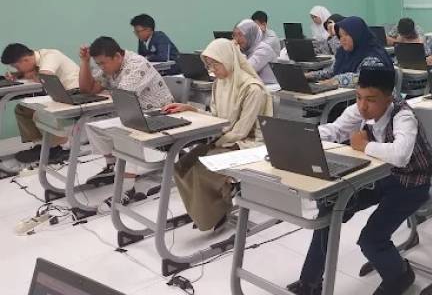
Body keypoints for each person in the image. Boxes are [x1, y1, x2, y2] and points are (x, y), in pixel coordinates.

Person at [272, 67, 432, 295]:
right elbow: (335, 131)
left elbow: (401, 155)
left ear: (389, 97)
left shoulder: (403, 116)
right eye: (359, 97)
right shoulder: (359, 110)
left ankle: (400, 275)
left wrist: (364, 146)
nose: (362, 105)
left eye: (371, 99)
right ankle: (310, 285)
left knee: (371, 239)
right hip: (379, 177)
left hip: (411, 184)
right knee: (330, 212)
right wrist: (299, 137)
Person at [165, 39, 271, 231]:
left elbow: (241, 131)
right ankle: (202, 210)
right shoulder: (220, 83)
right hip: (224, 138)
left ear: (228, 59)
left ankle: (216, 211)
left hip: (248, 143)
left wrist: (215, 142)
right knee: (181, 165)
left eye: (215, 64)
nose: (212, 69)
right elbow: (216, 117)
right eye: (209, 65)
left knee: (201, 170)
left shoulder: (252, 89)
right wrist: (192, 109)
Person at [80, 36, 174, 185]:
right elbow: (87, 89)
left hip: (160, 114)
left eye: (103, 63)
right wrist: (85, 62)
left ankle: (127, 186)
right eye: (98, 64)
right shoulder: (111, 67)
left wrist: (107, 92)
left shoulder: (137, 65)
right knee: (93, 124)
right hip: (136, 114)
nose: (101, 67)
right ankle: (111, 165)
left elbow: (122, 98)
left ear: (117, 56)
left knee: (124, 131)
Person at [1, 43, 80, 164]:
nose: (17, 69)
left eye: (16, 67)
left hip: (73, 94)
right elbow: (37, 76)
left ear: (25, 60)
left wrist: (27, 75)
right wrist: (18, 75)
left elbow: (45, 77)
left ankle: (62, 146)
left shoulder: (50, 55)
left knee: (39, 112)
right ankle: (42, 145)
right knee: (22, 109)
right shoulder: (36, 61)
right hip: (58, 94)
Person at [308, 16, 393, 88]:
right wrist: (310, 75)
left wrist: (334, 81)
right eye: (340, 36)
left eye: (347, 35)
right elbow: (331, 71)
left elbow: (362, 78)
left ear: (358, 34)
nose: (343, 39)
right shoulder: (343, 53)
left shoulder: (373, 56)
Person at [233, 19, 278, 85]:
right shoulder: (245, 49)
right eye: (234, 35)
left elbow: (247, 69)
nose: (236, 39)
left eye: (240, 35)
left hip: (269, 87)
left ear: (250, 35)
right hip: (253, 86)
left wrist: (235, 52)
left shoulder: (263, 49)